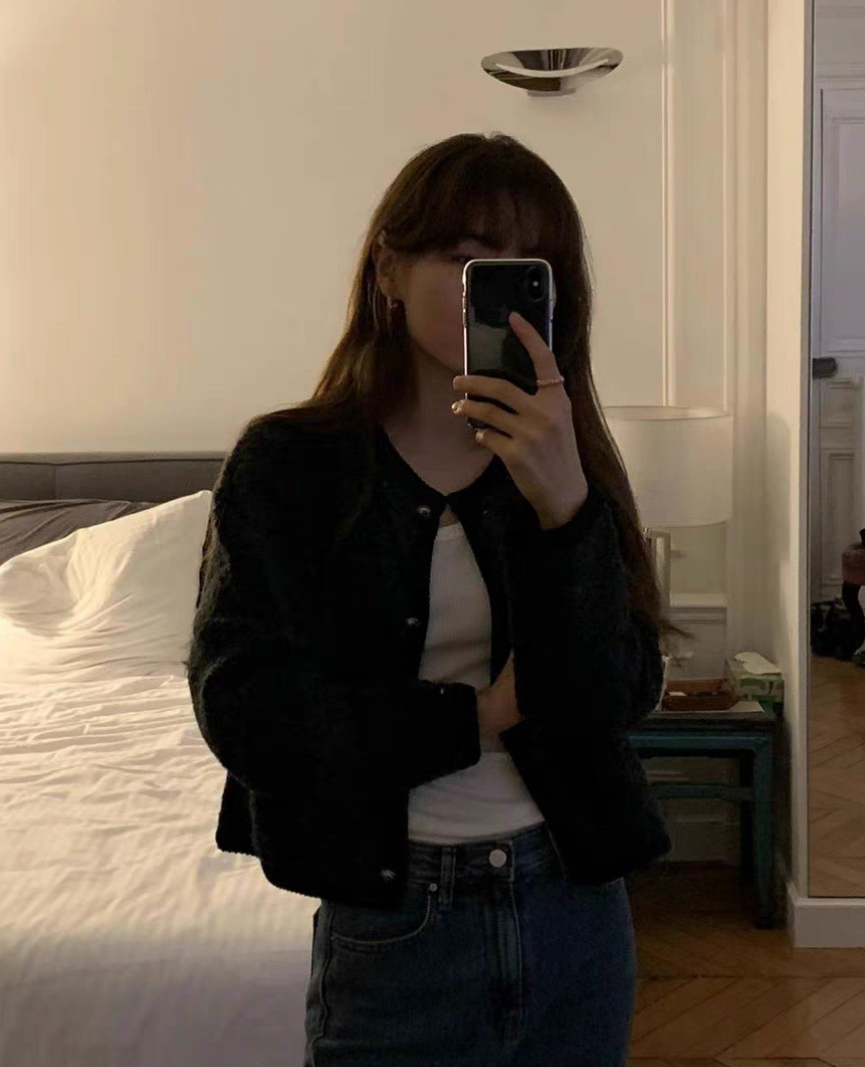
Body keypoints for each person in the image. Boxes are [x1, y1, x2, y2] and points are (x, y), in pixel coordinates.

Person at [186, 131, 692, 1066]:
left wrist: (564, 508)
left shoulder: (568, 459)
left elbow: (617, 693)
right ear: (389, 268)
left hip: (573, 905)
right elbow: (249, 714)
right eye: (464, 258)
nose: (491, 290)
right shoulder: (290, 466)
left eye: (526, 268)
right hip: (395, 920)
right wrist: (477, 717)